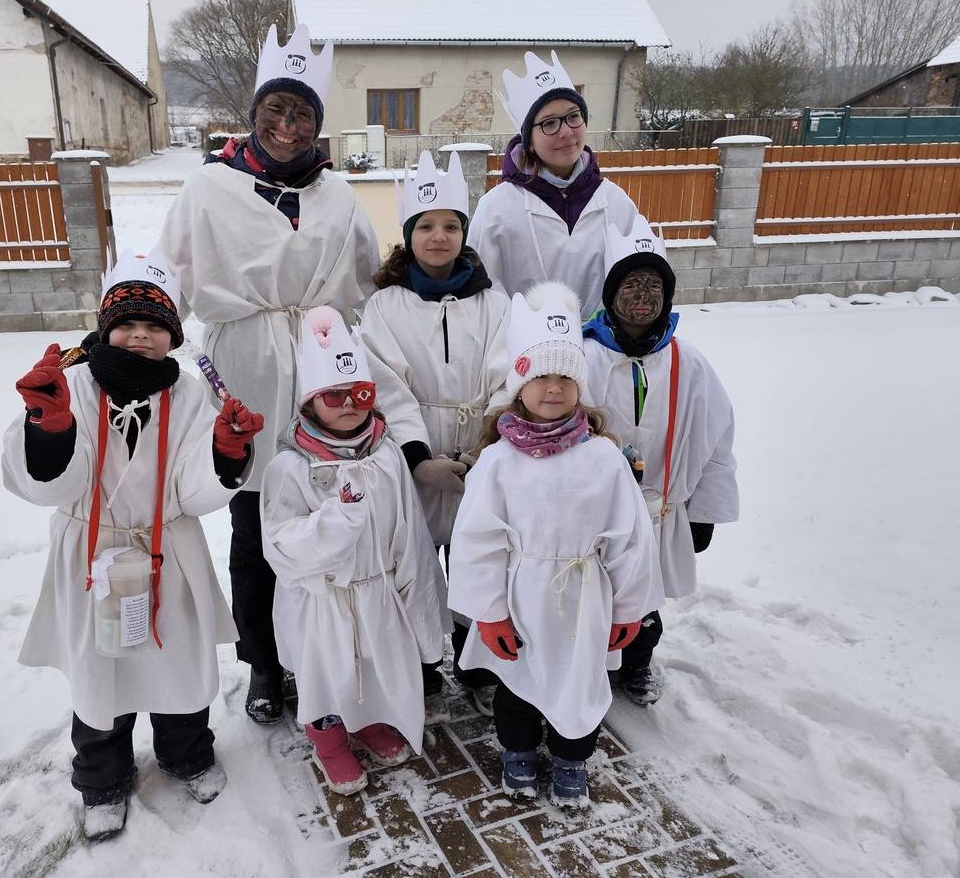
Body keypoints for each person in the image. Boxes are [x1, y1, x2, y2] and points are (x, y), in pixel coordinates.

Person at [157, 24, 380, 724]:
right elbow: (171, 275)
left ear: (318, 125)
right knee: (255, 532)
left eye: (303, 114)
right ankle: (264, 664)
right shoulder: (208, 188)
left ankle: (329, 652)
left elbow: (370, 281)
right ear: (255, 116)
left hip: (320, 373)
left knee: (328, 519)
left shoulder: (339, 197)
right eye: (276, 111)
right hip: (247, 367)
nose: (288, 126)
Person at [1, 251, 264, 842]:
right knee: (102, 672)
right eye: (127, 324)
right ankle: (101, 779)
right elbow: (52, 487)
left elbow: (193, 491)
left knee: (176, 660)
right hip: (93, 558)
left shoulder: (192, 395)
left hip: (166, 552)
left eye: (154, 326)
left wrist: (224, 452)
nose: (140, 336)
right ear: (104, 327)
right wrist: (52, 427)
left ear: (172, 336)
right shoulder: (70, 382)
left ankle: (187, 754)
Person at [449, 282, 662, 807]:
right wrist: (490, 613)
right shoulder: (498, 461)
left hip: (586, 593)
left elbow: (631, 539)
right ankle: (518, 753)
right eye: (540, 375)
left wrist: (629, 609)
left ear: (581, 386)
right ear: (518, 384)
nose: (553, 387)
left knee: (583, 683)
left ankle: (571, 761)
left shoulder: (604, 458)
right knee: (518, 685)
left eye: (566, 376)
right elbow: (477, 541)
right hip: (523, 595)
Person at [260, 307, 448, 795]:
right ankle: (328, 741)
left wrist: (412, 589)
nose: (349, 404)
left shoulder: (385, 454)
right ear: (309, 403)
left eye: (360, 394)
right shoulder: (290, 468)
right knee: (325, 671)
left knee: (371, 663)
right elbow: (281, 545)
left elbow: (407, 525)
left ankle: (364, 720)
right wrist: (337, 520)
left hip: (377, 587)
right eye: (333, 396)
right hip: (322, 597)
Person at [358, 150, 510, 719]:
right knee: (414, 563)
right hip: (410, 463)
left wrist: (487, 446)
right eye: (426, 226)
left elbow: (506, 372)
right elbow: (385, 383)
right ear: (408, 236)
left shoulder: (494, 303)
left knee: (478, 556)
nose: (438, 236)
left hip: (480, 455)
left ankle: (478, 660)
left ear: (465, 234)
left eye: (450, 225)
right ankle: (420, 664)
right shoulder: (385, 306)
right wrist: (418, 456)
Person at [582, 216, 739, 704]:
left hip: (658, 510)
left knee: (644, 598)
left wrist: (704, 511)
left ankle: (637, 663)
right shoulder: (582, 358)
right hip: (594, 513)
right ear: (610, 295)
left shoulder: (687, 362)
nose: (643, 296)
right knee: (593, 592)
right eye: (631, 284)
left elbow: (717, 438)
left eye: (654, 285)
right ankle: (592, 664)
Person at [468, 50, 641, 317]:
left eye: (573, 116)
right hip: (522, 350)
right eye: (549, 123)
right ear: (529, 141)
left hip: (604, 351)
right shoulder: (497, 208)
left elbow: (637, 280)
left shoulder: (616, 203)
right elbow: (482, 295)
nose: (566, 132)